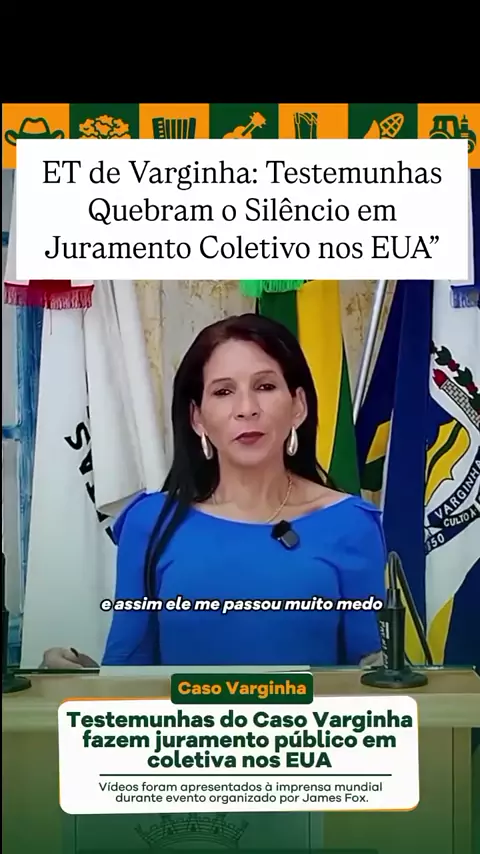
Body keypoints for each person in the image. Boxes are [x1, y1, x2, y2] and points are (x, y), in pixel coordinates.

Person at [41, 313, 386, 669]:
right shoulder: (150, 522)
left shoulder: (350, 523)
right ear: (197, 418)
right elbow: (127, 671)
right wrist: (76, 676)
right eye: (223, 392)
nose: (247, 409)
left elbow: (370, 675)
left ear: (298, 405)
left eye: (265, 387)